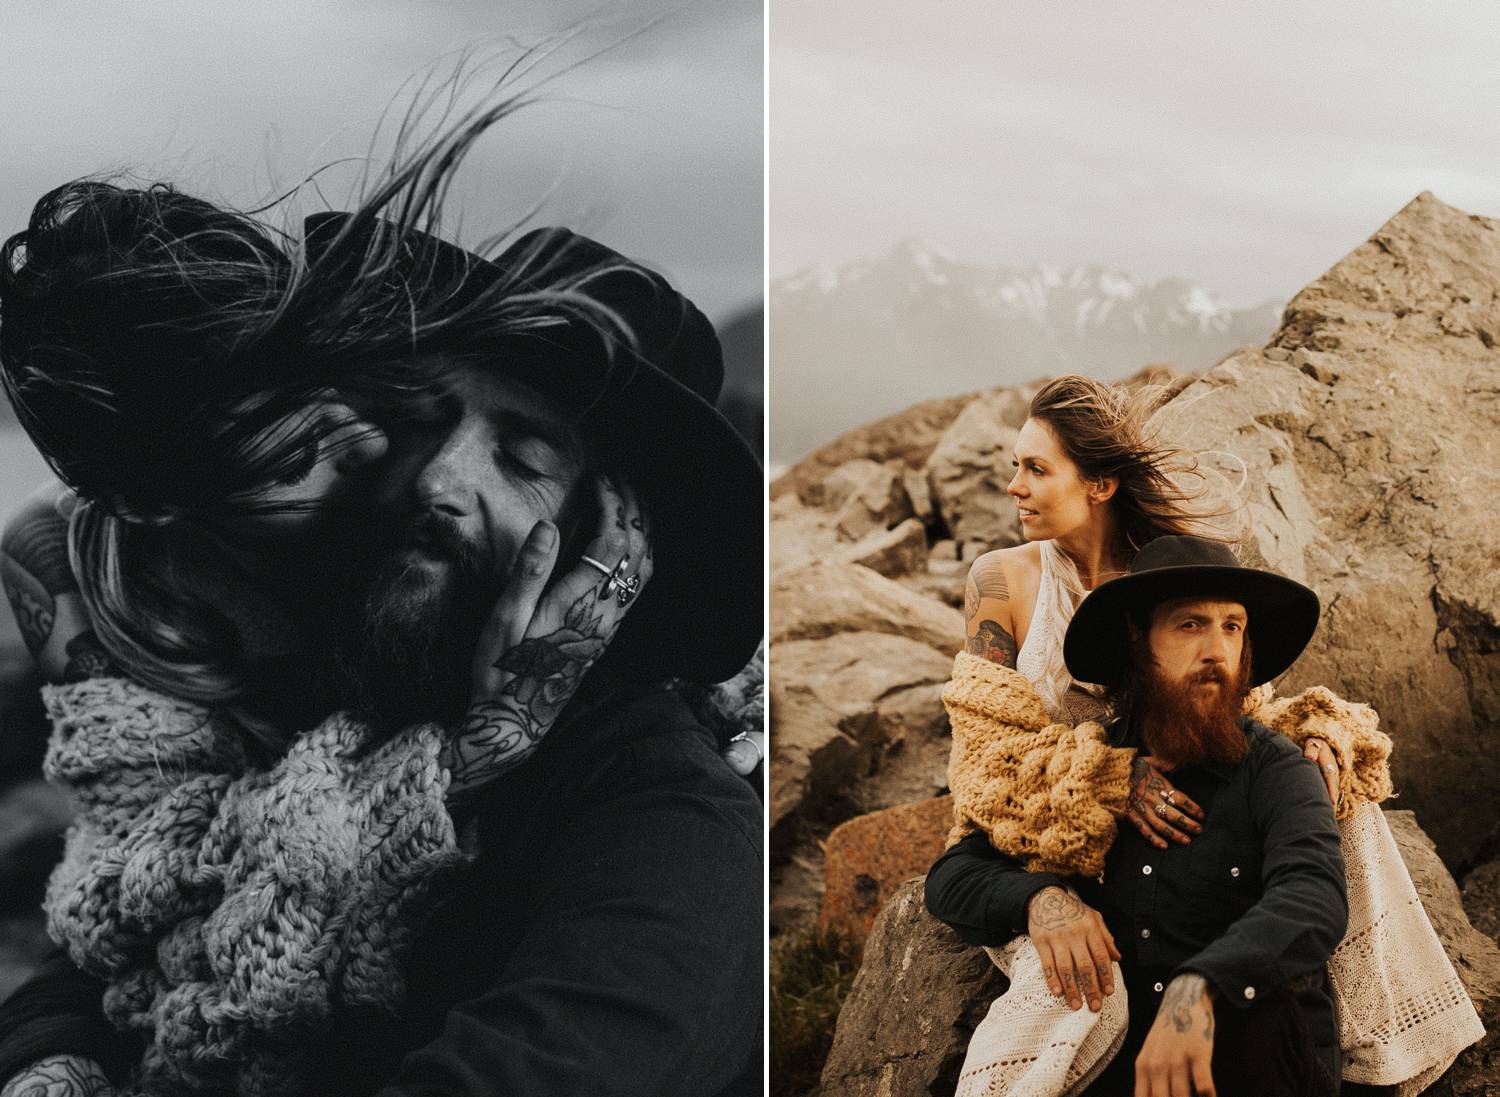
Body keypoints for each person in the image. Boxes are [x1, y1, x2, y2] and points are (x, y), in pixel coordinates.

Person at [0, 108, 764, 1096]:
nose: (438, 476)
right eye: (420, 421)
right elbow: (103, 953)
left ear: (615, 544)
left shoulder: (661, 829)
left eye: (521, 457)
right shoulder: (329, 717)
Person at [937, 376, 1482, 1095]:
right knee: (1067, 975)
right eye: (1017, 466)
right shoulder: (1001, 581)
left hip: (1175, 779)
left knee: (1339, 803)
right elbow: (981, 753)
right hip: (1039, 808)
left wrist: (1318, 736)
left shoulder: (1167, 576)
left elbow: (1233, 703)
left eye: (1036, 468)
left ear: (1099, 484)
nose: (1014, 486)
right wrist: (1106, 783)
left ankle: (1390, 1047)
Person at [929, 535, 1348, 1096]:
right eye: (1190, 625)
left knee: (1262, 1026)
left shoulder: (1275, 768)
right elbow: (954, 875)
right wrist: (1043, 900)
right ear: (1137, 640)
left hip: (1259, 1061)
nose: (1217, 651)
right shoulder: (1093, 771)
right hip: (1123, 1069)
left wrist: (1200, 985)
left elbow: (1313, 894)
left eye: (1232, 627)